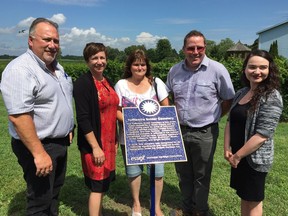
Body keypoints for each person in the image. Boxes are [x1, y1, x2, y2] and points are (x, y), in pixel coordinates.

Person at [0, 18, 75, 215]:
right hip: (39, 145)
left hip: (58, 143)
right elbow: (18, 116)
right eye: (47, 39)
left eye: (56, 41)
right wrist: (39, 153)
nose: (52, 45)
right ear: (30, 41)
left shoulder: (57, 68)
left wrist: (68, 127)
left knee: (54, 192)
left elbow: (60, 99)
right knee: (40, 202)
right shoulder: (21, 69)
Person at [166, 30, 235, 216]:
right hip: (179, 131)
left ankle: (200, 211)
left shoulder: (218, 70)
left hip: (206, 133)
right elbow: (169, 96)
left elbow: (228, 99)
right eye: (191, 48)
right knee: (183, 174)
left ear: (205, 48)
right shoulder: (174, 70)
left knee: (202, 176)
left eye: (200, 47)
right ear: (183, 49)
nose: (195, 52)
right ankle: (187, 208)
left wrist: (214, 117)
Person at [224, 49, 283, 216]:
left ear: (269, 70)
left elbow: (262, 135)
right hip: (238, 156)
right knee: (244, 196)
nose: (257, 72)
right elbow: (230, 121)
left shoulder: (272, 96)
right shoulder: (241, 93)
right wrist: (227, 147)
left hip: (253, 159)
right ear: (245, 69)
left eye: (263, 67)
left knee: (254, 201)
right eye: (252, 67)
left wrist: (238, 156)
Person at [114, 49, 169, 216]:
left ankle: (156, 206)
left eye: (143, 64)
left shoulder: (156, 83)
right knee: (133, 171)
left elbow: (166, 107)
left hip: (155, 138)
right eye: (136, 64)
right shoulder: (121, 85)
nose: (139, 67)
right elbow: (116, 111)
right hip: (131, 137)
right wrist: (134, 122)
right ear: (130, 66)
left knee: (157, 173)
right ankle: (136, 204)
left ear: (147, 66)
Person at [73, 42, 119, 216]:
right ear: (87, 61)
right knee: (97, 186)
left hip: (108, 143)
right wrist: (95, 147)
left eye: (102, 57)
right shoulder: (83, 84)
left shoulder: (108, 81)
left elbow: (113, 111)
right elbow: (83, 119)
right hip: (95, 144)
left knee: (102, 185)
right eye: (94, 58)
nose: (99, 62)